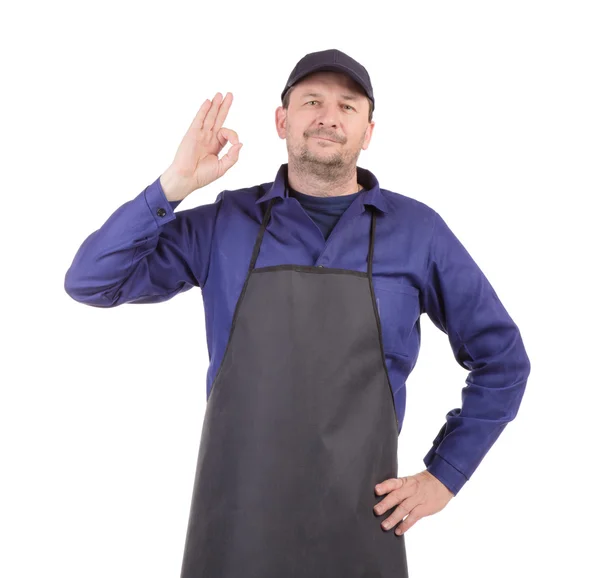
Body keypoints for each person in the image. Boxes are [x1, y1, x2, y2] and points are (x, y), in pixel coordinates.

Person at [64, 48, 531, 577]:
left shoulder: (419, 233)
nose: (328, 116)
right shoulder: (226, 224)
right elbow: (92, 281)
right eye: (311, 101)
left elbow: (503, 359)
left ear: (368, 131)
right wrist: (174, 185)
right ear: (282, 119)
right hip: (234, 533)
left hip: (362, 532)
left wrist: (444, 474)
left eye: (347, 106)